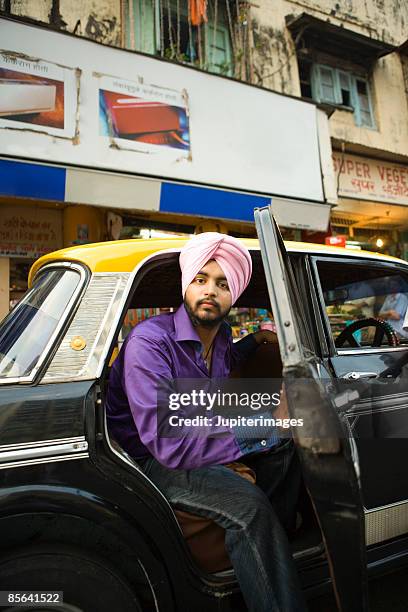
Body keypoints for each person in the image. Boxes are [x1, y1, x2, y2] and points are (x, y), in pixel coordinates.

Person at [106, 232, 306, 612]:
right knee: (249, 509)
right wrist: (270, 422)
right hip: (149, 458)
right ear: (186, 285)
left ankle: (270, 543)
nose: (210, 291)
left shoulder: (223, 336)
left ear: (235, 294)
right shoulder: (149, 343)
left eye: (222, 283)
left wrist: (259, 339)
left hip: (194, 436)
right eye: (201, 280)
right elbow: (168, 443)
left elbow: (226, 359)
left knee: (285, 442)